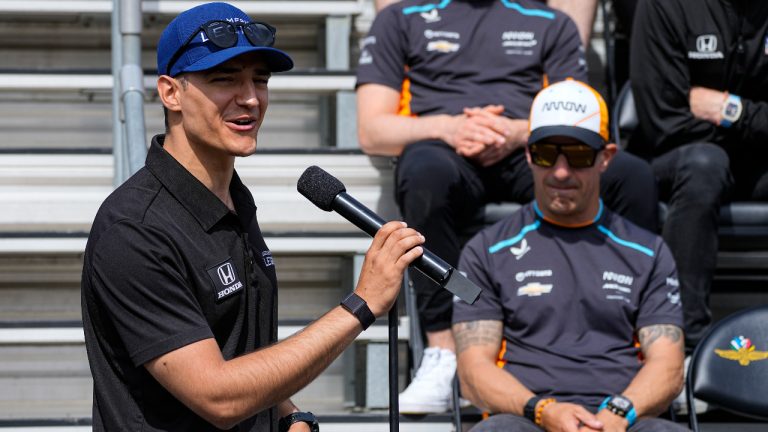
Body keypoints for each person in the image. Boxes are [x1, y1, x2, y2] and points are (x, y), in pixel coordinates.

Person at [80, 3, 425, 431]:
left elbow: (238, 351)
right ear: (171, 93)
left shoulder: (231, 199)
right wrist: (361, 304)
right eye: (224, 79)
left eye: (259, 80)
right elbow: (218, 396)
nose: (249, 98)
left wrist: (290, 414)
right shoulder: (134, 229)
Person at [356, 0, 658, 413]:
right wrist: (451, 127)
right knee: (423, 172)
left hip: (529, 146)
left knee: (630, 174)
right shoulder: (403, 17)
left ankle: (632, 341)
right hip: (445, 147)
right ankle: (444, 350)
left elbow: (581, 115)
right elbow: (373, 130)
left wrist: (518, 132)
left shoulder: (551, 22)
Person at [452, 79, 688, 432]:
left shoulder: (649, 251)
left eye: (578, 155)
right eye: (547, 154)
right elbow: (473, 372)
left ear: (605, 158)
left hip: (621, 418)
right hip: (528, 417)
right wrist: (543, 410)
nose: (561, 172)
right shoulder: (483, 251)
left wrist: (617, 415)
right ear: (529, 155)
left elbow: (668, 365)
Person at [630, 0, 768, 353]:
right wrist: (755, 125)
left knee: (712, 160)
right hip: (674, 158)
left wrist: (729, 110)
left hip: (752, 160)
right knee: (706, 165)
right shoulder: (666, 5)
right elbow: (665, 121)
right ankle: (682, 346)